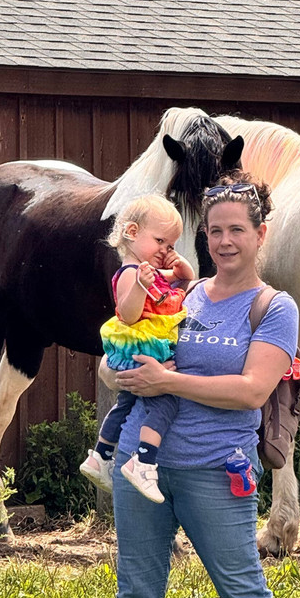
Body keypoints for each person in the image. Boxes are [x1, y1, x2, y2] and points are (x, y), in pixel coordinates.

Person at [107, 172, 300, 598]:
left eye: (236, 230)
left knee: (245, 594)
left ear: (260, 234)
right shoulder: (182, 293)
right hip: (139, 466)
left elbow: (252, 391)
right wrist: (115, 370)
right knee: (135, 596)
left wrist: (167, 384)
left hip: (216, 470)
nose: (224, 241)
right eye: (215, 231)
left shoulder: (274, 308)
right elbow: (125, 351)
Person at [80, 194, 196, 502]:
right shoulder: (131, 273)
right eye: (160, 241)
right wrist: (142, 286)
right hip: (141, 351)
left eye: (171, 245)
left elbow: (185, 279)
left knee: (126, 404)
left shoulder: (147, 271)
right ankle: (143, 462)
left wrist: (179, 265)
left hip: (144, 349)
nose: (166, 250)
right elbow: (128, 315)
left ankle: (101, 456)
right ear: (132, 232)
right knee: (166, 402)